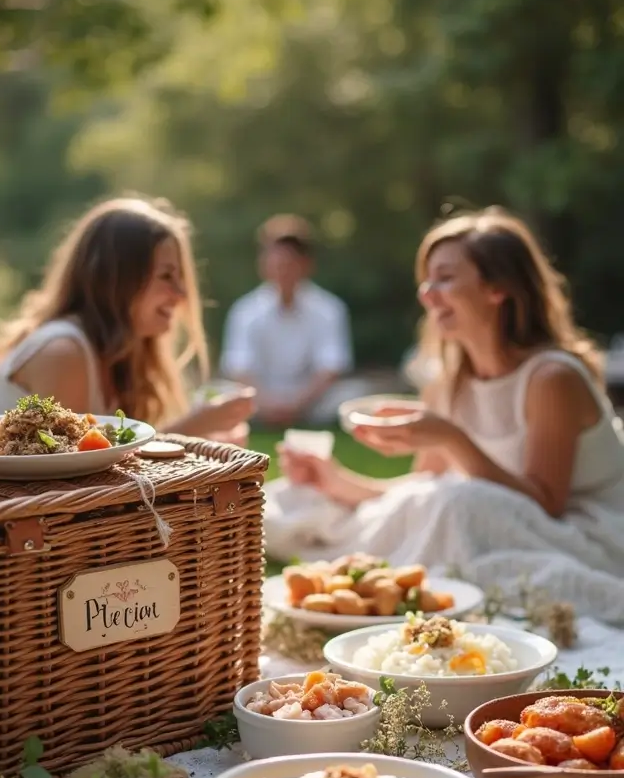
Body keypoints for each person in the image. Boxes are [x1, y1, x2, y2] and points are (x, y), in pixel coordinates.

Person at [265, 207, 624, 625]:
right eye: (427, 280)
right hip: (480, 515)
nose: (427, 294)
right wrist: (334, 479)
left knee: (455, 502)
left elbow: (547, 503)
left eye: (446, 278)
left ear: (499, 289)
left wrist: (452, 439)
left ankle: (385, 584)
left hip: (585, 534)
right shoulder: (448, 380)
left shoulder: (551, 377)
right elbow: (421, 489)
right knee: (293, 496)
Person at [0, 197, 255, 440]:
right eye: (167, 276)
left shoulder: (122, 357)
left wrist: (206, 435)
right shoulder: (63, 351)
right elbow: (83, 472)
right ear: (116, 282)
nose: (181, 295)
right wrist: (193, 428)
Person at [219, 214, 365, 426]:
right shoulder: (245, 310)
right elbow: (239, 368)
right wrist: (268, 403)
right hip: (258, 399)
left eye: (288, 262)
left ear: (306, 264)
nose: (282, 269)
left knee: (354, 395)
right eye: (275, 261)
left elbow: (331, 367)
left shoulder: (329, 308)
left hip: (312, 400)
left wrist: (297, 404)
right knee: (214, 394)